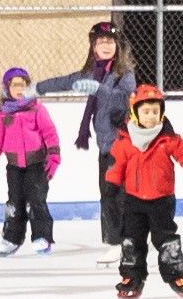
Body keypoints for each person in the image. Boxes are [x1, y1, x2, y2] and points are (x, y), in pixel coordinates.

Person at [36, 21, 138, 254]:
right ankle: (119, 238)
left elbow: (124, 100)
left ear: (117, 46)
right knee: (107, 192)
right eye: (100, 42)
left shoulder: (124, 73)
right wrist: (37, 88)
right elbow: (65, 81)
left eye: (110, 42)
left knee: (116, 193)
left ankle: (120, 241)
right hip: (105, 145)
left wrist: (97, 88)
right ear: (93, 46)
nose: (106, 45)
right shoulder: (92, 72)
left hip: (122, 143)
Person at [106, 83, 183, 299]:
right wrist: (111, 186)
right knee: (132, 240)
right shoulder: (125, 140)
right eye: (146, 112)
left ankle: (175, 275)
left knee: (166, 239)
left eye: (155, 111)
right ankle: (132, 277)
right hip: (133, 200)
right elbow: (116, 165)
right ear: (135, 113)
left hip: (162, 199)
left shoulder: (168, 138)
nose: (151, 116)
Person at [0, 67, 59, 255]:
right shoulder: (3, 114)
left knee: (36, 201)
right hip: (14, 167)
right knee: (15, 203)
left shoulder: (36, 108)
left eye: (23, 84)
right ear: (6, 88)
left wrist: (53, 157)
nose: (19, 88)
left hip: (37, 165)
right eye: (14, 85)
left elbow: (50, 133)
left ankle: (42, 236)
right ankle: (12, 238)